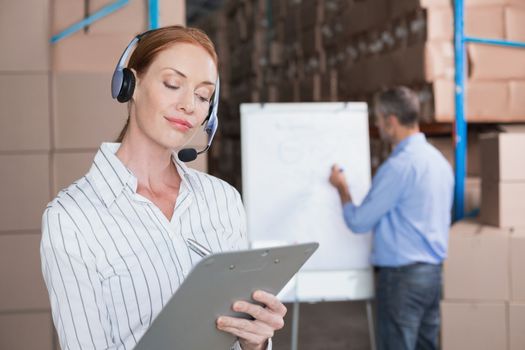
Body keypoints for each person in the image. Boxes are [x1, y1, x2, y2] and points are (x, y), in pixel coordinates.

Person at [40, 25, 285, 350]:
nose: (189, 105)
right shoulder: (71, 219)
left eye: (202, 96)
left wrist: (256, 342)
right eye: (173, 84)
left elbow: (238, 334)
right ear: (130, 84)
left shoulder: (222, 200)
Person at [329, 87, 454, 350]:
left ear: (392, 120)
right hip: (433, 276)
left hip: (402, 280)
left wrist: (342, 188)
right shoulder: (439, 162)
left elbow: (359, 221)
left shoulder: (399, 167)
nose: (377, 124)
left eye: (379, 118)